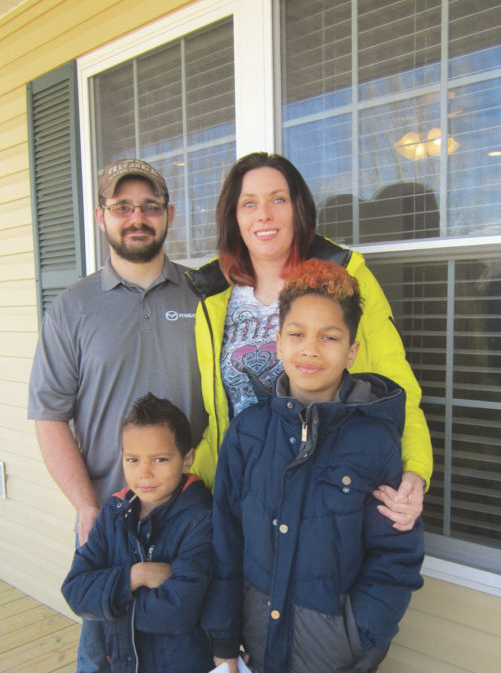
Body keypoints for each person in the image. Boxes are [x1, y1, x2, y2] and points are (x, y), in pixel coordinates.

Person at [204, 260, 425, 673]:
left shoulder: (375, 442)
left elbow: (395, 556)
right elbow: (227, 543)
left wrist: (361, 636)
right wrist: (225, 637)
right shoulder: (249, 433)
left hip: (341, 666)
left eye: (330, 337)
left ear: (352, 350)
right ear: (276, 342)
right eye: (297, 334)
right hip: (261, 651)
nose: (311, 349)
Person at [28, 158, 207, 673]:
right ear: (101, 216)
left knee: (188, 644)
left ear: (167, 212)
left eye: (149, 203)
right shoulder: (73, 308)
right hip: (113, 520)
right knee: (101, 651)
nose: (137, 216)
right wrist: (85, 504)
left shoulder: (200, 298)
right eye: (121, 204)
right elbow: (49, 414)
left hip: (190, 516)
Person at [185, 152, 432, 530]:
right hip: (243, 495)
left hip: (330, 493)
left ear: (298, 209)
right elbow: (225, 412)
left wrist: (415, 470)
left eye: (277, 199)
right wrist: (184, 476)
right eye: (248, 203)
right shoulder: (215, 296)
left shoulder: (344, 278)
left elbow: (397, 385)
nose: (263, 214)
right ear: (234, 217)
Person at [62, 393, 214, 673]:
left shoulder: (200, 518)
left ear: (187, 459)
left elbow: (178, 610)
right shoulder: (114, 514)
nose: (144, 473)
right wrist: (134, 576)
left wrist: (112, 603)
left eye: (160, 460)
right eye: (132, 460)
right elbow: (75, 589)